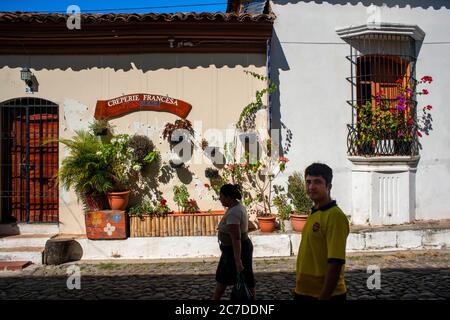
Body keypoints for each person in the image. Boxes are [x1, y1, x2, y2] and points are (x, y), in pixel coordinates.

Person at [294, 163, 350, 301]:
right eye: (308, 182)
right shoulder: (314, 213)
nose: (311, 187)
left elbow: (336, 262)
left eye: (317, 182)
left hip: (326, 295)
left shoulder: (335, 216)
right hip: (305, 292)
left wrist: (324, 297)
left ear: (329, 187)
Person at [213, 184, 256, 300]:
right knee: (244, 275)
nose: (220, 199)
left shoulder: (234, 212)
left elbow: (236, 238)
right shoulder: (237, 207)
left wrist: (237, 260)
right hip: (238, 248)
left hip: (234, 250)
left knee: (224, 277)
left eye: (221, 196)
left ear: (228, 197)